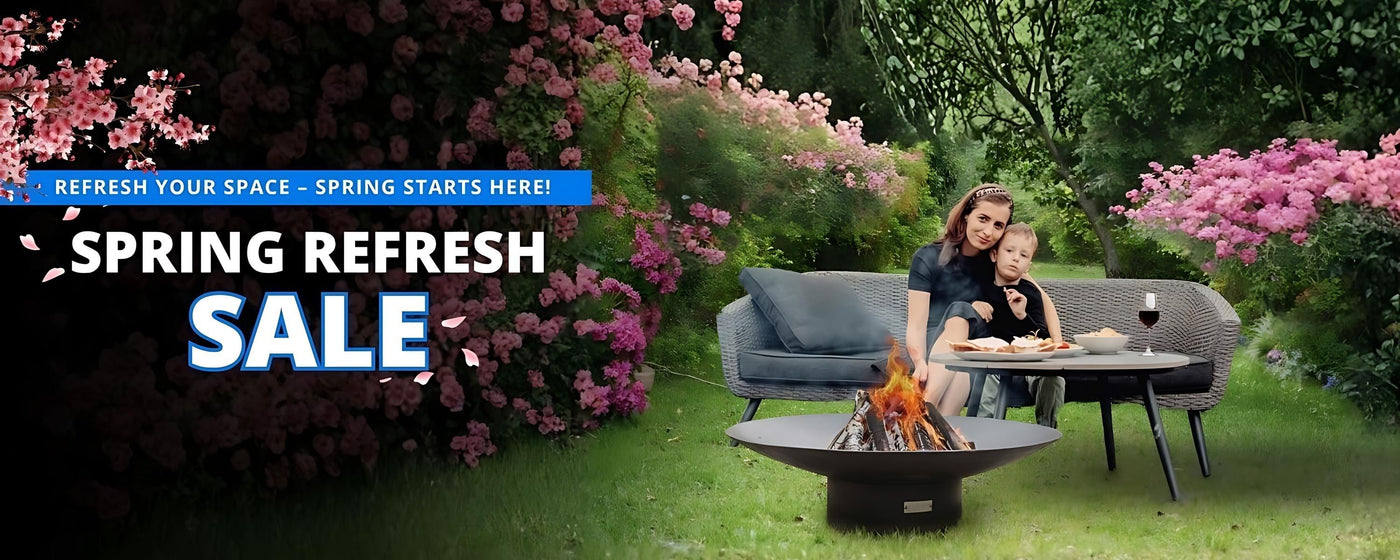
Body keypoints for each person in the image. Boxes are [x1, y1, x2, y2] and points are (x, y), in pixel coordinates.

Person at [905, 185, 1064, 418]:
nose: (988, 232)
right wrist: (919, 362)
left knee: (962, 360)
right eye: (983, 218)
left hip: (975, 348)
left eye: (998, 225)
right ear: (967, 214)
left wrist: (1057, 342)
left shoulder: (996, 258)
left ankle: (927, 423)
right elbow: (916, 325)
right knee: (959, 340)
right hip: (937, 346)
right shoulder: (928, 257)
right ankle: (928, 413)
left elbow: (1043, 299)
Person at [963, 223, 1066, 428]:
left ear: (1028, 265)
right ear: (994, 255)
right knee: (990, 372)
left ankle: (1046, 427)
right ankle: (984, 427)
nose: (1015, 258)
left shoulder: (1030, 293)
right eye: (1009, 251)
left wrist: (1022, 315)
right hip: (993, 358)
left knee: (1054, 378)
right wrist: (973, 306)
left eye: (1024, 255)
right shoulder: (980, 289)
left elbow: (1041, 336)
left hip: (1028, 360)